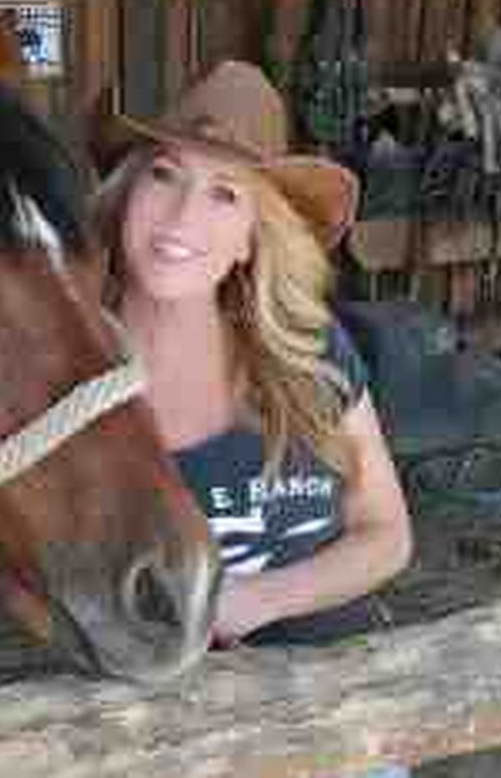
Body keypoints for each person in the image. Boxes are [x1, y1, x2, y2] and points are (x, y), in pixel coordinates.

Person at [93, 60, 413, 670]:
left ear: (249, 239)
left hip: (340, 687)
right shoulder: (67, 367)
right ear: (125, 192)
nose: (182, 215)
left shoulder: (307, 349)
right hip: (146, 702)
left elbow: (386, 534)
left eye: (225, 194)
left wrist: (255, 601)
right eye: (164, 174)